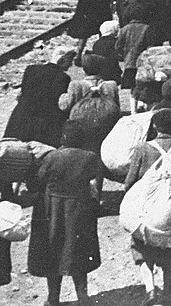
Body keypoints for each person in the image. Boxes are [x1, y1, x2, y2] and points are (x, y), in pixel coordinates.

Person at [27, 121, 104, 306]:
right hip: (80, 209)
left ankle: (53, 298)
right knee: (79, 250)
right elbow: (98, 180)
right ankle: (83, 297)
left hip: (53, 209)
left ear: (63, 138)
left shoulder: (52, 157)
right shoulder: (90, 157)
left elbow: (35, 184)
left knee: (53, 249)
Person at [123, 108, 171, 306]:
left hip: (147, 209)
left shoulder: (143, 148)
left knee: (142, 246)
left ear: (154, 126)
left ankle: (151, 289)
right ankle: (167, 293)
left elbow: (129, 182)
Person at [4, 48, 74, 148]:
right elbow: (57, 103)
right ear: (61, 59)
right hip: (43, 123)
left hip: (20, 118)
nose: (71, 65)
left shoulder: (31, 69)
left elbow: (23, 93)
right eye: (70, 61)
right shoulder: (63, 77)